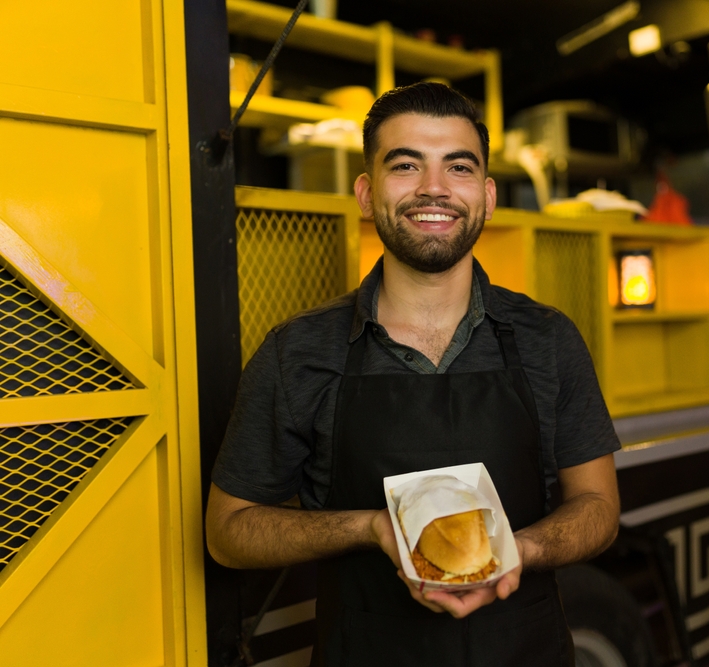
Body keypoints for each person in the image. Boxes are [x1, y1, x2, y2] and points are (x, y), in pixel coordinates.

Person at [205, 82, 621, 667]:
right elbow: (227, 533)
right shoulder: (296, 353)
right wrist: (371, 527)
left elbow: (599, 505)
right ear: (367, 194)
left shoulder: (548, 340)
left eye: (459, 166)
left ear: (488, 195)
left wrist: (515, 549)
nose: (434, 188)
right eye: (406, 165)